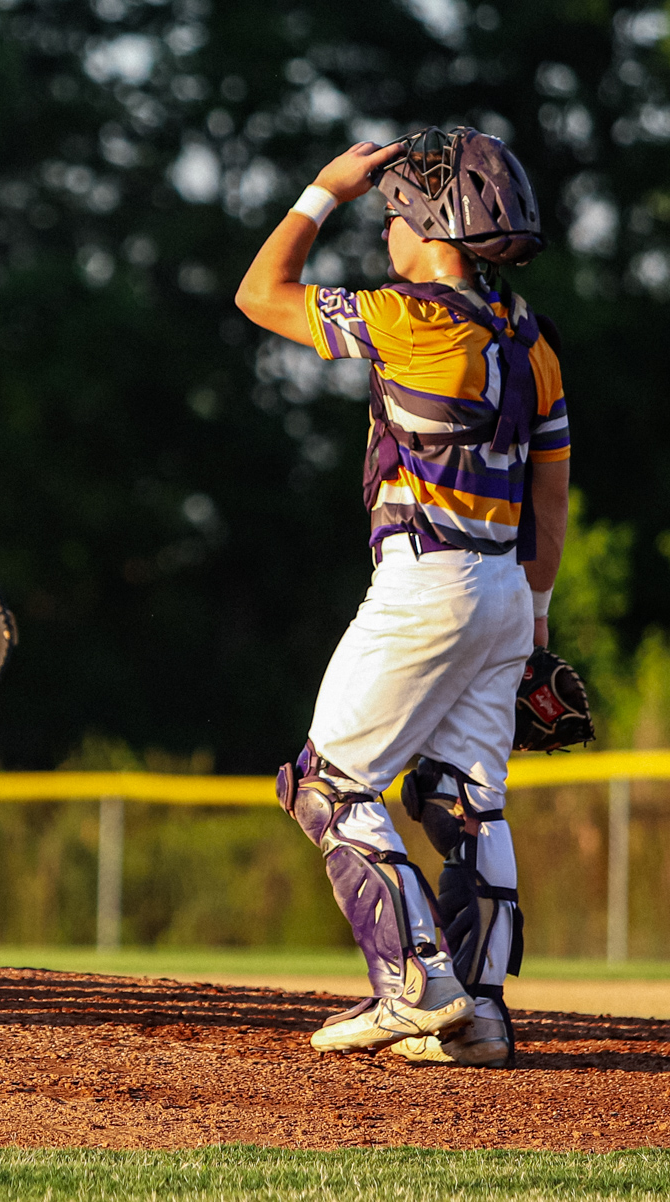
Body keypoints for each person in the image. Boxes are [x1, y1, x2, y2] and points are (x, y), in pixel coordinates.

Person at [236, 127, 566, 1066]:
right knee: (465, 798)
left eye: (393, 213)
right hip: (506, 585)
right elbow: (551, 496)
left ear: (429, 221)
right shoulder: (530, 337)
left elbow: (259, 294)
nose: (386, 230)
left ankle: (415, 979)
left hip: (428, 581)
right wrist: (535, 618)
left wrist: (323, 191)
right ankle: (484, 1017)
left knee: (324, 786)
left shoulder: (406, 317)